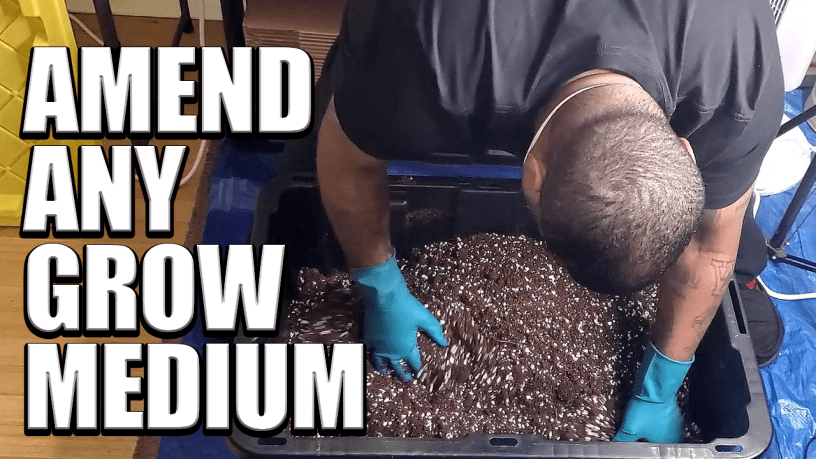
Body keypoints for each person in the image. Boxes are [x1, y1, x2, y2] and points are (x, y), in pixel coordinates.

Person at [311, 0, 784, 443]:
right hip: (444, 49)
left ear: (687, 152)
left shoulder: (741, 86)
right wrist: (379, 285)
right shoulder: (420, 51)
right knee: (316, 172)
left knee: (751, 308)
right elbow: (349, 157)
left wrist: (661, 385)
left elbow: (708, 246)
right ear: (530, 176)